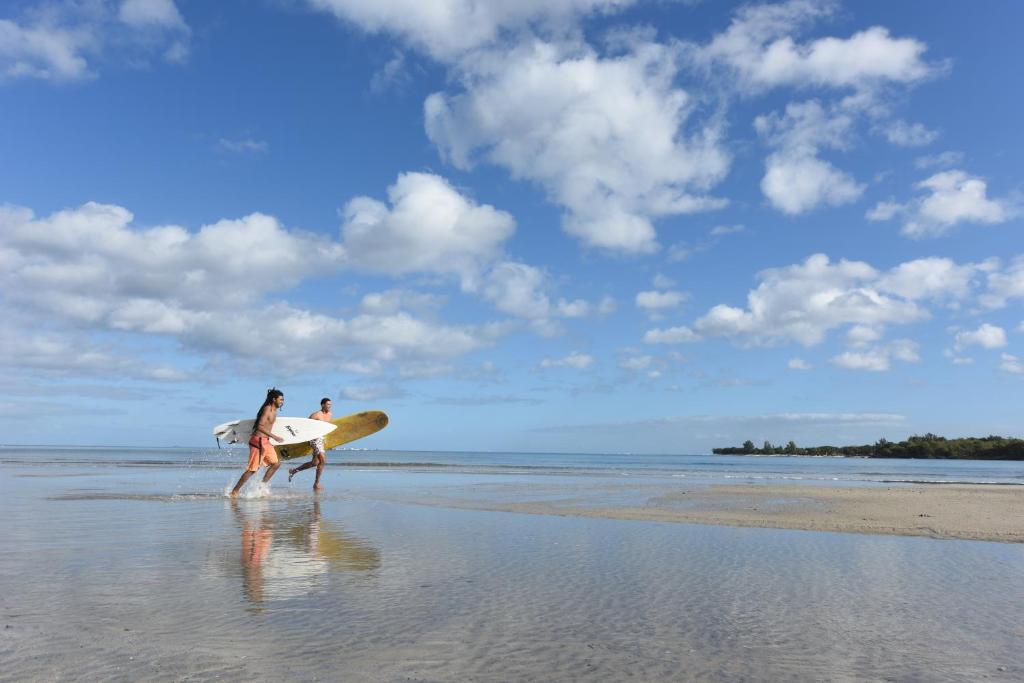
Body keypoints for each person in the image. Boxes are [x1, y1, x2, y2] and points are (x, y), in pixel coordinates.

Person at [230, 388, 285, 497]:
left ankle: (261, 487)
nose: (282, 402)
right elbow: (260, 427)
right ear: (274, 399)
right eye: (281, 399)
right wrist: (275, 437)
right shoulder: (267, 409)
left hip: (266, 441)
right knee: (252, 470)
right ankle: (234, 491)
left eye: (283, 400)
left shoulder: (274, 411)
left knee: (276, 463)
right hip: (258, 442)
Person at [288, 397, 333, 491]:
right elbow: (305, 426)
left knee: (315, 463)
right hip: (314, 439)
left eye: (330, 404)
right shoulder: (316, 415)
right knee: (323, 460)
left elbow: (327, 428)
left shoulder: (330, 415)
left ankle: (293, 471)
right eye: (328, 404)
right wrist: (303, 438)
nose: (330, 406)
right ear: (322, 405)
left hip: (321, 439)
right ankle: (316, 484)